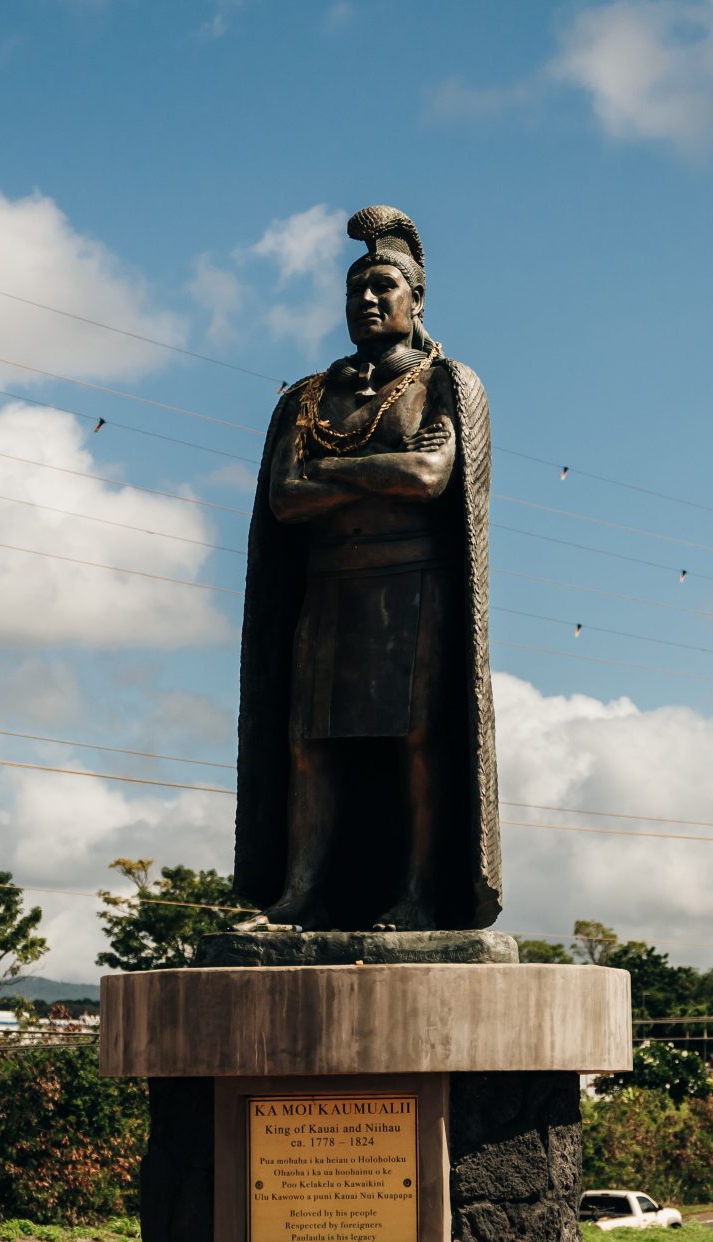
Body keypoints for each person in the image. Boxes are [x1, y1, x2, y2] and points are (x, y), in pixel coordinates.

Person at [234, 205, 499, 932]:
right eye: (356, 289)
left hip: (410, 585)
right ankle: (299, 893)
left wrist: (336, 469)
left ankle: (418, 893)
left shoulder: (445, 382)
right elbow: (286, 497)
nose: (368, 299)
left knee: (415, 740)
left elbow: (430, 475)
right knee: (308, 744)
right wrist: (379, 470)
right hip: (328, 592)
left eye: (384, 285)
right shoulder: (307, 397)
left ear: (417, 301)